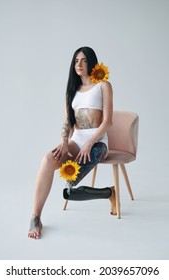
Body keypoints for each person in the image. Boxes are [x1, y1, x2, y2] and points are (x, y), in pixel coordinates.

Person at [28, 46, 116, 239]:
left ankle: (110, 193)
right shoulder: (72, 90)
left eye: (84, 60)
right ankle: (35, 217)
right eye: (76, 61)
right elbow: (68, 122)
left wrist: (90, 142)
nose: (79, 65)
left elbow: (108, 121)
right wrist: (64, 142)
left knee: (71, 180)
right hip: (77, 140)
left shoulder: (103, 85)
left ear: (91, 62)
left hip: (98, 142)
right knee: (47, 159)